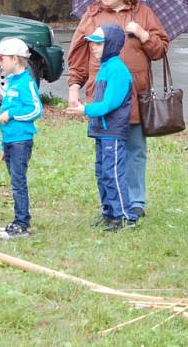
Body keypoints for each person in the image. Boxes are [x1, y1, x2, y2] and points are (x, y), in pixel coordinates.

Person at [67, 0, 169, 218]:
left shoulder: (143, 13)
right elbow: (78, 55)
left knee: (134, 148)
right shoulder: (92, 16)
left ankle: (135, 201)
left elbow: (160, 50)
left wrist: (144, 34)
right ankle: (112, 202)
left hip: (134, 95)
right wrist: (74, 87)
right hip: (102, 96)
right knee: (107, 150)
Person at [66, 25, 138, 231]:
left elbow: (110, 104)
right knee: (102, 172)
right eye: (93, 43)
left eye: (99, 44)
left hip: (113, 132)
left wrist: (85, 110)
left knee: (113, 172)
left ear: (112, 45)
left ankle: (125, 217)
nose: (94, 48)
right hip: (102, 130)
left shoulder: (117, 70)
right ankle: (109, 214)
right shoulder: (104, 68)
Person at [0, 38, 43, 240]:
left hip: (21, 140)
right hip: (11, 142)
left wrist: (11, 115)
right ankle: (20, 219)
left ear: (15, 59)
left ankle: (22, 223)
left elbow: (36, 110)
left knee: (18, 182)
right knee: (15, 181)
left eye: (2, 59)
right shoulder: (12, 83)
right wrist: (4, 146)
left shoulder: (26, 83)